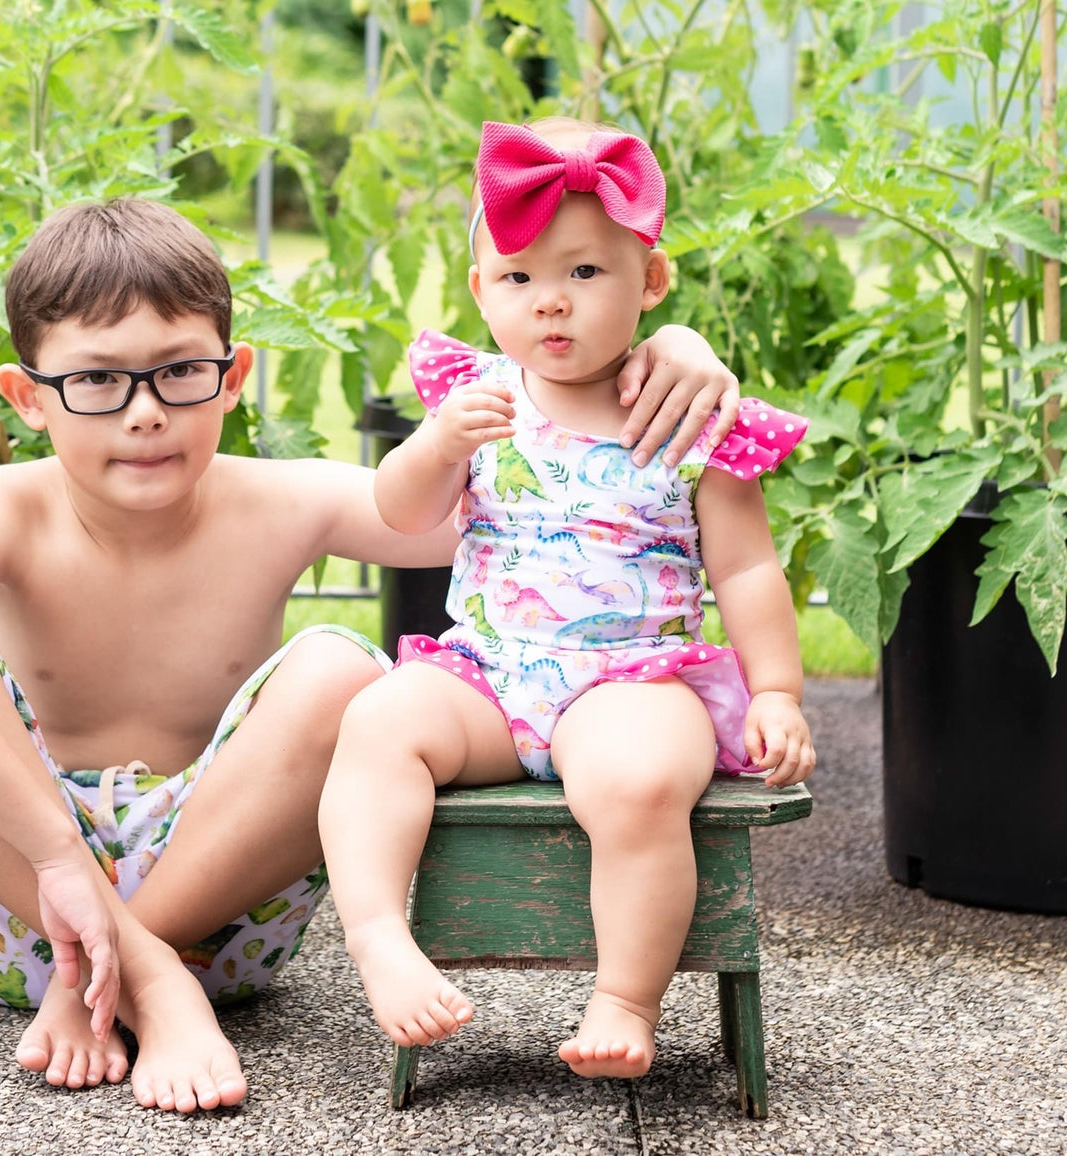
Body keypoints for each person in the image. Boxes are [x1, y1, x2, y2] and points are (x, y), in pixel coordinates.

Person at [0, 196, 745, 1113]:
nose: (145, 414)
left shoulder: (282, 499)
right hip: (19, 912)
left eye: (178, 373)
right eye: (98, 382)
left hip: (223, 917)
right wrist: (57, 868)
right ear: (28, 396)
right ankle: (151, 984)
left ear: (233, 377)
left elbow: (546, 521)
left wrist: (655, 358)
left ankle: (138, 964)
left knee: (344, 671)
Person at [318, 118, 817, 1081]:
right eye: (517, 279)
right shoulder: (475, 397)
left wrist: (778, 692)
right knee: (378, 720)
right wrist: (434, 446)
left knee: (636, 785)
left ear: (650, 283)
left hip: (634, 675)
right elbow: (403, 516)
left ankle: (625, 996)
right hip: (492, 677)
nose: (550, 302)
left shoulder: (688, 416)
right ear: (479, 292)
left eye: (584, 273)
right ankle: (378, 939)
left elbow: (747, 570)